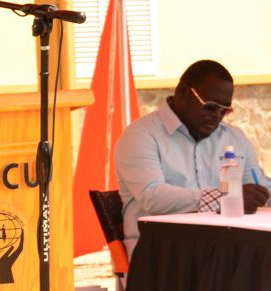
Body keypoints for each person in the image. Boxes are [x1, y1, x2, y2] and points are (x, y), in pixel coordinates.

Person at [115, 59, 271, 257]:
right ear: (183, 92)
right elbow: (153, 197)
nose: (217, 115)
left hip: (221, 246)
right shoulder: (141, 135)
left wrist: (259, 194)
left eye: (225, 110)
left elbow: (258, 186)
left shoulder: (234, 137)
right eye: (211, 106)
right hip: (161, 251)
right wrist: (226, 198)